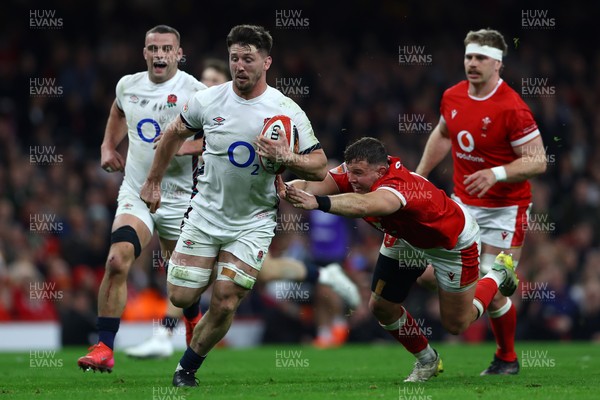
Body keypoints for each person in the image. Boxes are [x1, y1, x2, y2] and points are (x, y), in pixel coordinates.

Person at [139, 24, 328, 387]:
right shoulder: (208, 100)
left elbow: (319, 164)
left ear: (266, 62)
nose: (240, 65)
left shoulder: (286, 110)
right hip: (206, 213)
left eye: (248, 58)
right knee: (180, 295)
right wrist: (153, 180)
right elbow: (173, 134)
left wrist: (286, 155)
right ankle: (196, 304)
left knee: (226, 299)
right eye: (234, 58)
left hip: (253, 221)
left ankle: (187, 368)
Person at [279, 136, 518, 382]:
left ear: (381, 171)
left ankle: (497, 273)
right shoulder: (353, 173)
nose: (352, 180)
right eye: (350, 172)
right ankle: (428, 360)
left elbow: (364, 205)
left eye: (359, 173)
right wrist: (283, 190)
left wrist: (318, 203)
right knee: (381, 306)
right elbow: (311, 186)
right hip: (405, 238)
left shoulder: (397, 185)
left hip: (451, 244)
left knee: (457, 324)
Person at [415, 28, 547, 375]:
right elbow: (444, 134)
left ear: (498, 64)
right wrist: (420, 175)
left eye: (481, 58)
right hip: (465, 204)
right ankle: (504, 346)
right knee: (429, 275)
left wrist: (496, 173)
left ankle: (506, 356)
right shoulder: (453, 96)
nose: (472, 64)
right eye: (469, 57)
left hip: (506, 210)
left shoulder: (512, 108)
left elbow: (538, 160)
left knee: (488, 279)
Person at [77, 25, 207, 372]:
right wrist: (107, 146)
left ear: (179, 54)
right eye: (153, 48)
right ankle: (104, 346)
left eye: (167, 49)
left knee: (181, 285)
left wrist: (178, 147)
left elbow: (219, 139)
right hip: (136, 192)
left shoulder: (196, 92)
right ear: (144, 53)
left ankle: (192, 316)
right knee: (117, 261)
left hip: (180, 198)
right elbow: (118, 111)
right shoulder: (128, 85)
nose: (160, 55)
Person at [123, 57, 231, 360]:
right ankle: (168, 332)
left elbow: (221, 142)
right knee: (192, 269)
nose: (206, 85)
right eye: (204, 79)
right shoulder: (194, 109)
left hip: (241, 208)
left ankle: (321, 274)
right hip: (209, 206)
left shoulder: (232, 111)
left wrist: (183, 145)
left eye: (214, 80)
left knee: (265, 271)